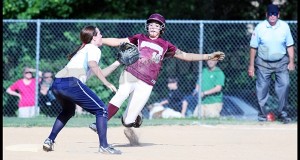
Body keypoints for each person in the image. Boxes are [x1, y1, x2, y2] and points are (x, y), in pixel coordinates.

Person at [88, 13, 225, 138]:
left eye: (157, 25)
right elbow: (118, 41)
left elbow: (185, 55)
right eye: (151, 24)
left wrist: (208, 56)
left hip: (147, 83)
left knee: (128, 121)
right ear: (147, 27)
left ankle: (136, 117)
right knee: (121, 94)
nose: (153, 27)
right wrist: (99, 41)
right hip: (130, 74)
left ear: (162, 28)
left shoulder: (165, 45)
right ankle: (100, 123)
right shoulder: (139, 38)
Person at [42, 25, 122, 154]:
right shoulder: (93, 48)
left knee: (68, 111)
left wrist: (118, 62)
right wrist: (107, 84)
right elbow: (93, 65)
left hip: (57, 83)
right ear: (94, 37)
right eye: (100, 34)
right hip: (71, 83)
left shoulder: (84, 50)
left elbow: (99, 72)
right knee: (101, 110)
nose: (102, 36)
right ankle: (104, 146)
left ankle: (49, 140)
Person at [248, 4, 295, 124]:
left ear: (278, 15)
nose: (272, 16)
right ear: (266, 15)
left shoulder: (284, 26)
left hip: (281, 62)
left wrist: (291, 61)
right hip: (263, 63)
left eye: (275, 14)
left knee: (284, 85)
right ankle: (262, 117)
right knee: (261, 90)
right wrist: (251, 65)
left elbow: (289, 45)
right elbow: (253, 47)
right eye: (270, 14)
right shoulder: (260, 27)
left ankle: (282, 114)